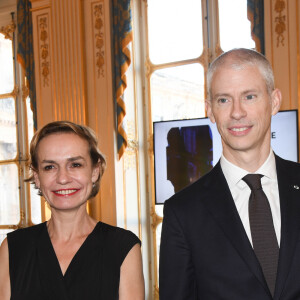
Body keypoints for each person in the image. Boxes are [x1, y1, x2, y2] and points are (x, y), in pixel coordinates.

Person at [159, 48, 300, 299]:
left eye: (250, 96)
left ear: (274, 101)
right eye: (224, 100)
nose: (237, 112)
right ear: (210, 110)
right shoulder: (182, 213)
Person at [0, 121, 145, 300]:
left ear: (94, 171)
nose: (62, 178)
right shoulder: (14, 248)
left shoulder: (123, 247)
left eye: (75, 164)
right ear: (37, 177)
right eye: (50, 167)